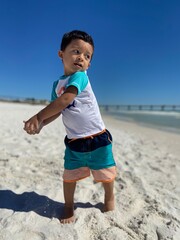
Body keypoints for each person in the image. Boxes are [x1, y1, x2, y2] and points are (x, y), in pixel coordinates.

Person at [23, 30, 116, 224]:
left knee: (105, 173)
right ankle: (68, 206)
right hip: (74, 141)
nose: (81, 58)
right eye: (76, 51)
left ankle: (109, 197)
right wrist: (41, 123)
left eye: (87, 56)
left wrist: (38, 115)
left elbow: (65, 100)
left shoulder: (80, 77)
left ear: (89, 64)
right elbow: (57, 110)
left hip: (97, 137)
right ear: (61, 54)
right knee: (69, 176)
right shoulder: (57, 84)